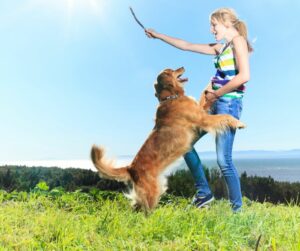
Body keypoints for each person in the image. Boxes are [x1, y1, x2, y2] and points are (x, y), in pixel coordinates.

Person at [145, 8, 252, 212]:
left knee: (224, 160)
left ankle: (237, 211)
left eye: (214, 25)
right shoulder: (221, 48)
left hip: (228, 104)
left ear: (226, 22)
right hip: (212, 104)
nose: (211, 30)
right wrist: (158, 35)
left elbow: (244, 76)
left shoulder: (238, 42)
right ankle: (204, 193)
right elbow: (186, 45)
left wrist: (216, 94)